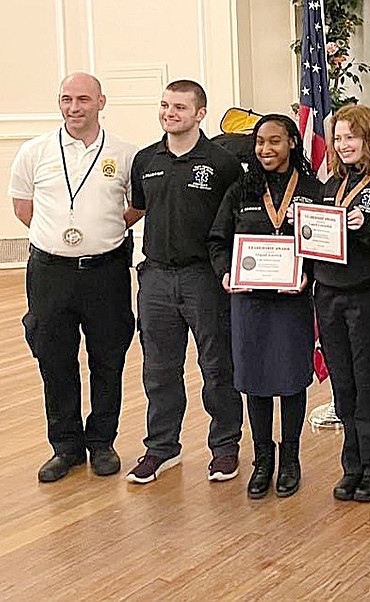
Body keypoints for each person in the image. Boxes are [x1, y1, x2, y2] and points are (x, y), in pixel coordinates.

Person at [9, 72, 138, 483]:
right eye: (66, 99)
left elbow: (136, 206)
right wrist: (60, 241)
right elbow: (22, 206)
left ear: (101, 102)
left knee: (108, 357)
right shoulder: (35, 151)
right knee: (54, 358)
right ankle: (65, 446)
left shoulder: (126, 153)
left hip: (105, 272)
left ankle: (102, 441)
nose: (74, 107)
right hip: (50, 272)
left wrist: (99, 233)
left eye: (83, 99)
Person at [125, 80, 245, 485]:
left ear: (200, 113)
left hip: (204, 278)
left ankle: (225, 447)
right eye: (164, 105)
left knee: (216, 366)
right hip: (155, 277)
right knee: (158, 369)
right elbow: (137, 209)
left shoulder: (222, 162)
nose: (169, 113)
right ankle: (161, 449)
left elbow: (235, 222)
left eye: (179, 107)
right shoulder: (145, 160)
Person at [208, 114, 319, 499]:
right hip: (249, 301)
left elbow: (323, 244)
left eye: (274, 141)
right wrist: (224, 272)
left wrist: (310, 275)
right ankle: (262, 460)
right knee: (253, 379)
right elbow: (218, 240)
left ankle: (290, 458)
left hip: (292, 302)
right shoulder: (241, 190)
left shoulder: (311, 189)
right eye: (259, 142)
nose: (265, 149)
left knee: (290, 380)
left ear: (291, 142)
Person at [310, 104, 370, 503]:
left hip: (368, 298)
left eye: (352, 137)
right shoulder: (331, 186)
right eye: (338, 138)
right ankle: (353, 464)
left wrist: (367, 228)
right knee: (344, 387)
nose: (344, 145)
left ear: (369, 139)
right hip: (328, 293)